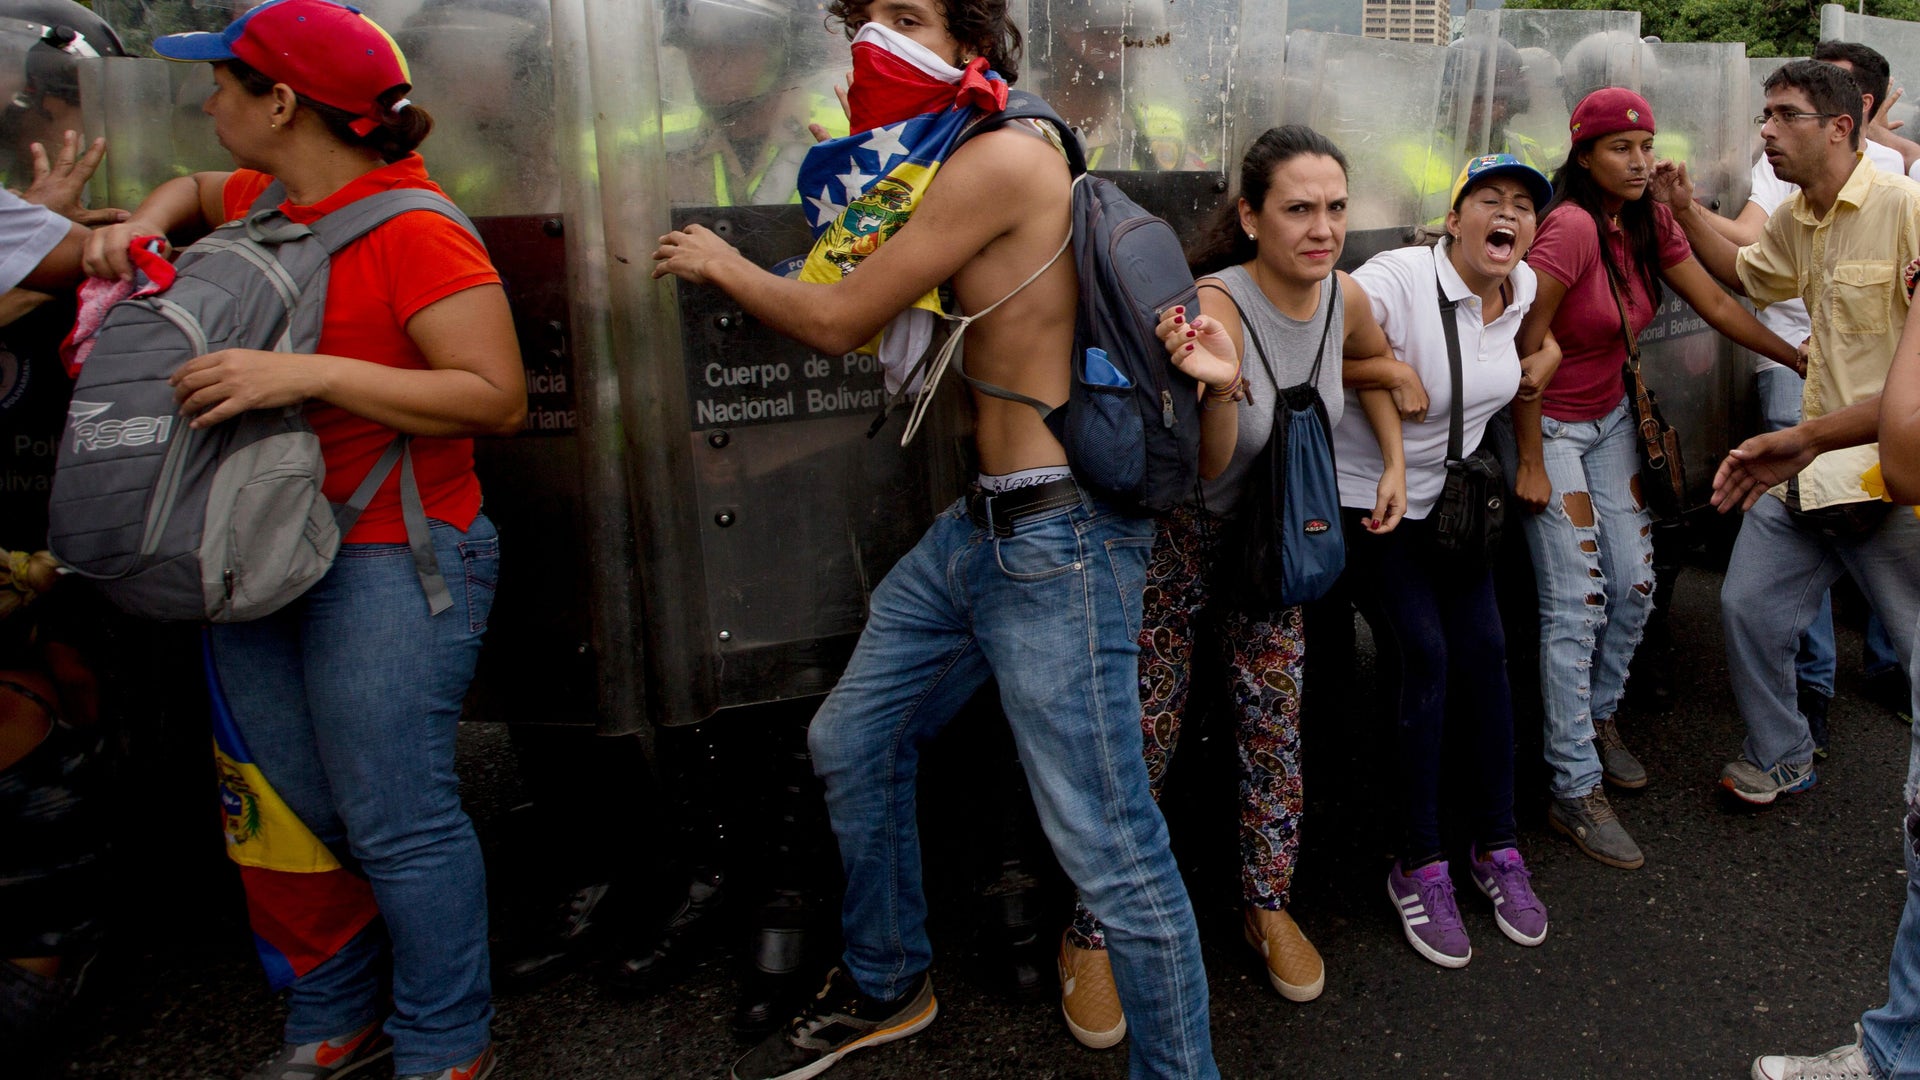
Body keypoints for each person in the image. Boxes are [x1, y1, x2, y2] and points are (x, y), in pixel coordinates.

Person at [652, 0, 1219, 1076]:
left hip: (1059, 542)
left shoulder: (1002, 154)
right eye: (861, 18)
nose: (875, 36)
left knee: (1111, 847)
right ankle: (886, 979)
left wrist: (723, 263)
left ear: (970, 43)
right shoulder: (957, 147)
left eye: (906, 16)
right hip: (985, 528)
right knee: (852, 739)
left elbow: (838, 317)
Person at [81, 1, 526, 1077]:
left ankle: (442, 1038)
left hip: (391, 557)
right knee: (286, 809)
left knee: (396, 817)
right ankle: (333, 1010)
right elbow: (190, 192)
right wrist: (131, 218)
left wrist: (307, 374)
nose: (206, 102)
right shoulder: (269, 196)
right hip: (252, 554)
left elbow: (494, 396)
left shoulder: (415, 227)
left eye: (226, 84)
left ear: (283, 102)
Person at [1056, 124, 1405, 1045]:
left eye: (1335, 208)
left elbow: (1361, 361)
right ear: (1250, 216)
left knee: (1274, 723)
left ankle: (1266, 902)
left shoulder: (1344, 296)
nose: (1322, 228)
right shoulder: (1214, 304)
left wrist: (1395, 447)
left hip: (1275, 546)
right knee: (1147, 729)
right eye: (1298, 209)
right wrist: (1220, 388)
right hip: (1184, 537)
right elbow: (1208, 468)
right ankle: (1094, 928)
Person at [1510, 87, 1797, 870]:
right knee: (1578, 597)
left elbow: (1716, 301)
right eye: (1618, 150)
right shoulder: (1567, 229)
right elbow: (1525, 352)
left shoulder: (1649, 219)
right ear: (1582, 156)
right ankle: (1570, 783)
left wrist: (1801, 360)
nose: (1638, 162)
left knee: (1636, 583)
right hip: (1552, 428)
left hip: (1610, 422)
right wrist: (1531, 460)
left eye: (1645, 147)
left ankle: (1596, 718)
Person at [1652, 59, 1920, 807]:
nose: (1766, 131)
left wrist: (1805, 441)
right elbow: (1745, 273)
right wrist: (1681, 209)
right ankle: (1782, 750)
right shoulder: (1798, 218)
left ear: (1842, 127)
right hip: (1809, 465)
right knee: (1746, 606)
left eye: (1784, 115)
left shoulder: (1906, 207)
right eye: (1764, 115)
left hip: (1893, 474)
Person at [1339, 152, 1557, 968]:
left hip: (1459, 509)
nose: (1508, 215)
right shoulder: (1395, 279)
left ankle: (1497, 847)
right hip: (1374, 500)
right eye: (1490, 200)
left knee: (1490, 655)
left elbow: (1539, 350)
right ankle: (1418, 860)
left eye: (1523, 207)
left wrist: (1550, 362)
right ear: (1454, 216)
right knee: (1424, 657)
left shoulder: (1521, 289)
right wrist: (1387, 366)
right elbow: (1303, 336)